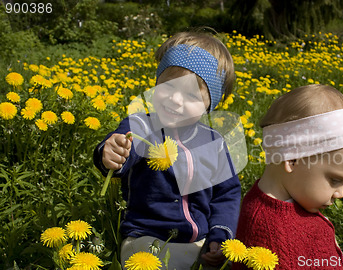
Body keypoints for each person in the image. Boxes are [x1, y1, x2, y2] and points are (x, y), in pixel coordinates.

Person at [93, 31, 241, 269]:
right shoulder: (141, 125)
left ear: (209, 105)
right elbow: (124, 146)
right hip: (146, 238)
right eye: (168, 86)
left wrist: (220, 234)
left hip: (200, 242)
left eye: (191, 95)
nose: (175, 99)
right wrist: (111, 152)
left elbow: (227, 194)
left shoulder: (214, 143)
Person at [233, 84, 343, 269]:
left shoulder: (293, 200)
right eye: (335, 180)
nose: (340, 193)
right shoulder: (270, 233)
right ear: (292, 159)